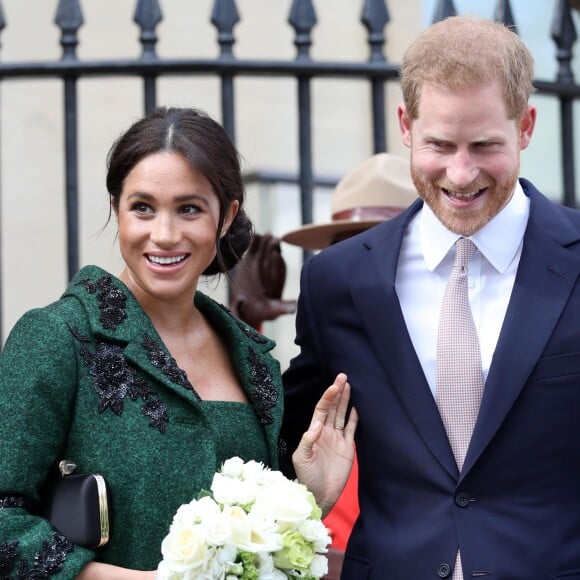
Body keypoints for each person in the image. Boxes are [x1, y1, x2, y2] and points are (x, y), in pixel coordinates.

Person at [281, 15, 580, 579]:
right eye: (440, 144)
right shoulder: (337, 281)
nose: (461, 174)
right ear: (405, 125)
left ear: (526, 127)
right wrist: (307, 489)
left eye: (484, 145)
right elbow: (290, 446)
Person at [0, 106, 356, 579]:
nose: (164, 235)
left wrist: (310, 498)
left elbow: (253, 553)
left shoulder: (254, 361)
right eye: (142, 207)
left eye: (189, 209)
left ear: (226, 216)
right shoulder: (56, 338)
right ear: (116, 208)